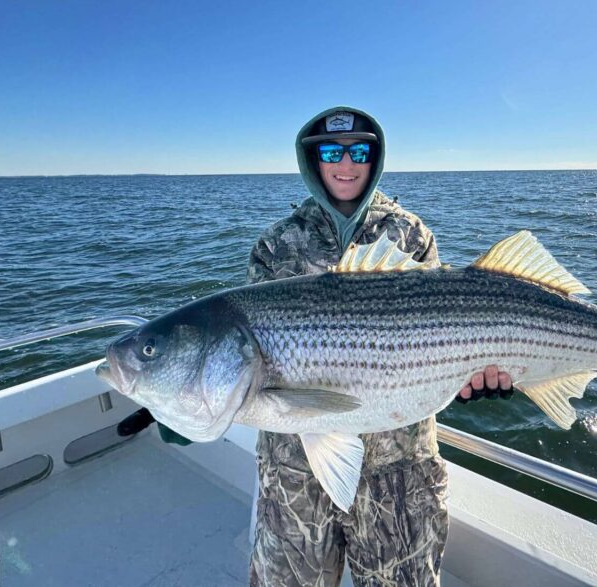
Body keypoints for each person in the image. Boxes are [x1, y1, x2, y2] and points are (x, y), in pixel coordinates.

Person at [119, 106, 513, 585]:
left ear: (375, 156)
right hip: (294, 474)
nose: (345, 164)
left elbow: (451, 332)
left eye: (359, 150)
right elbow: (228, 357)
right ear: (313, 158)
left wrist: (479, 374)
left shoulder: (411, 235)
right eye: (331, 151)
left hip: (401, 471)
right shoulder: (275, 245)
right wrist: (182, 404)